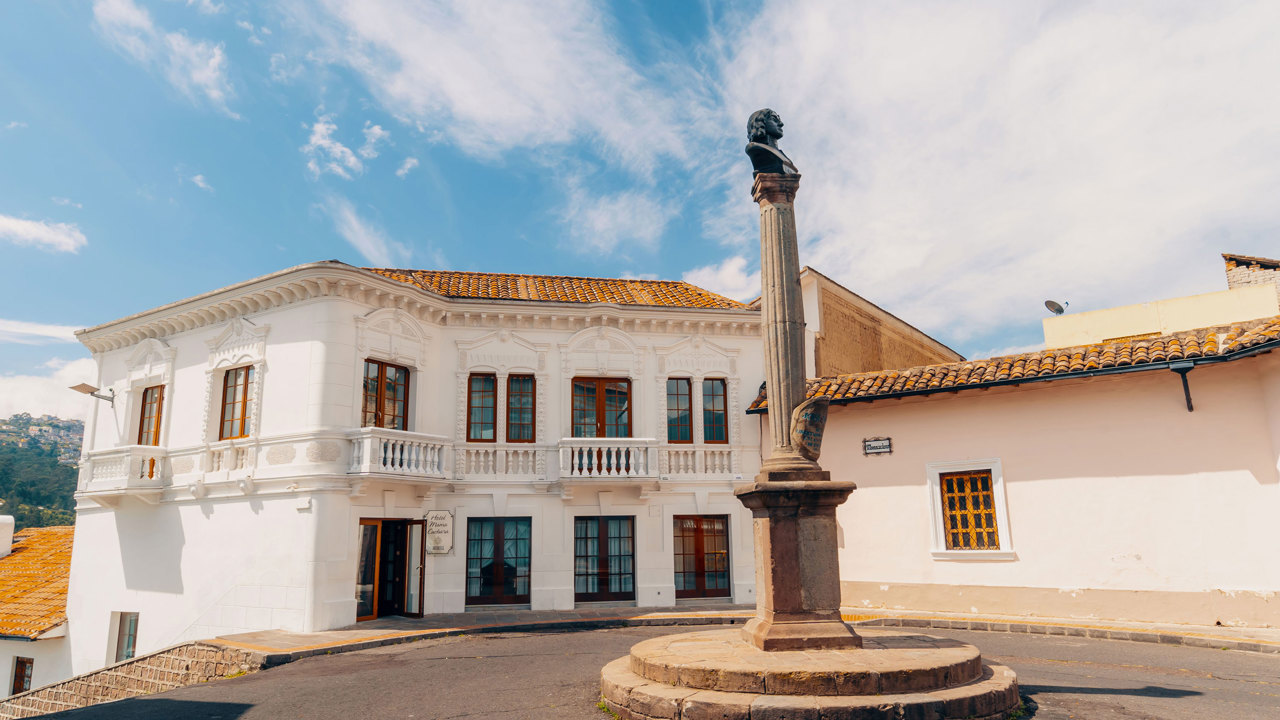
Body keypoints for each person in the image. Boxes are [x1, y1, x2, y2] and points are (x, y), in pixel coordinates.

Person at [745, 108, 799, 175]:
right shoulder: (754, 148)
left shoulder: (781, 154)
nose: (781, 124)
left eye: (779, 120)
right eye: (774, 119)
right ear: (760, 123)